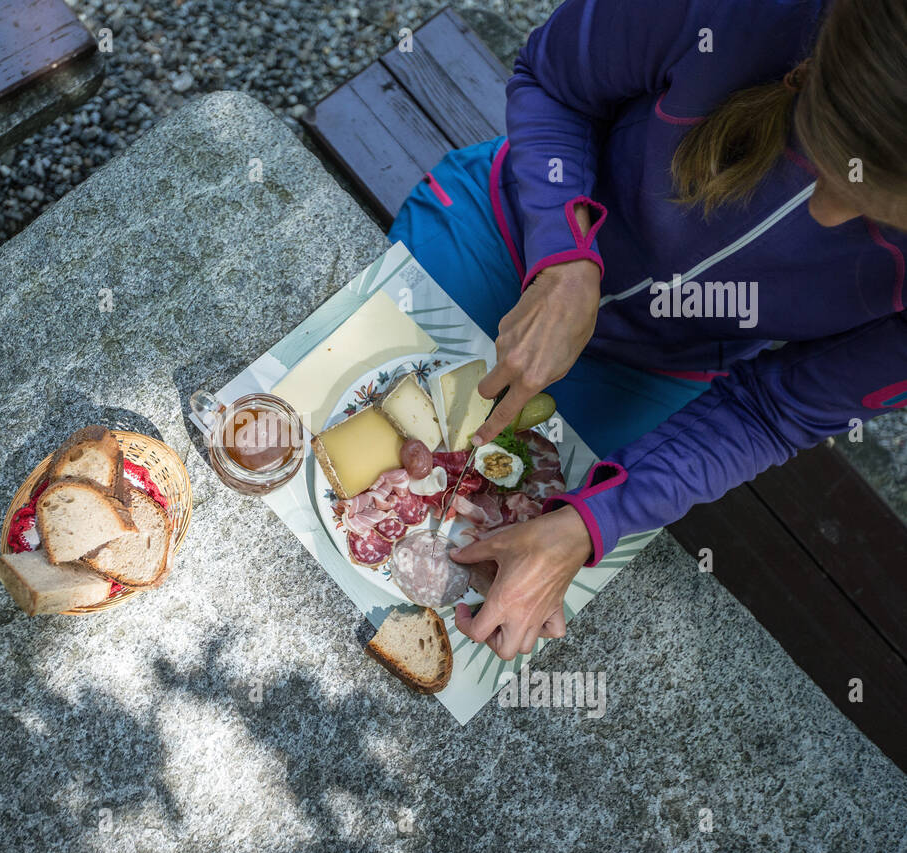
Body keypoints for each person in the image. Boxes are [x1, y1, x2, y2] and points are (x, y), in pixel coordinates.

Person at [386, 0, 907, 660]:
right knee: (340, 420)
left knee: (501, 574)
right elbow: (553, 83)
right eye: (820, 158)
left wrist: (590, 522)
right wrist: (566, 256)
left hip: (659, 369)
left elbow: (775, 412)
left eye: (883, 218)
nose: (828, 214)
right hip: (509, 234)